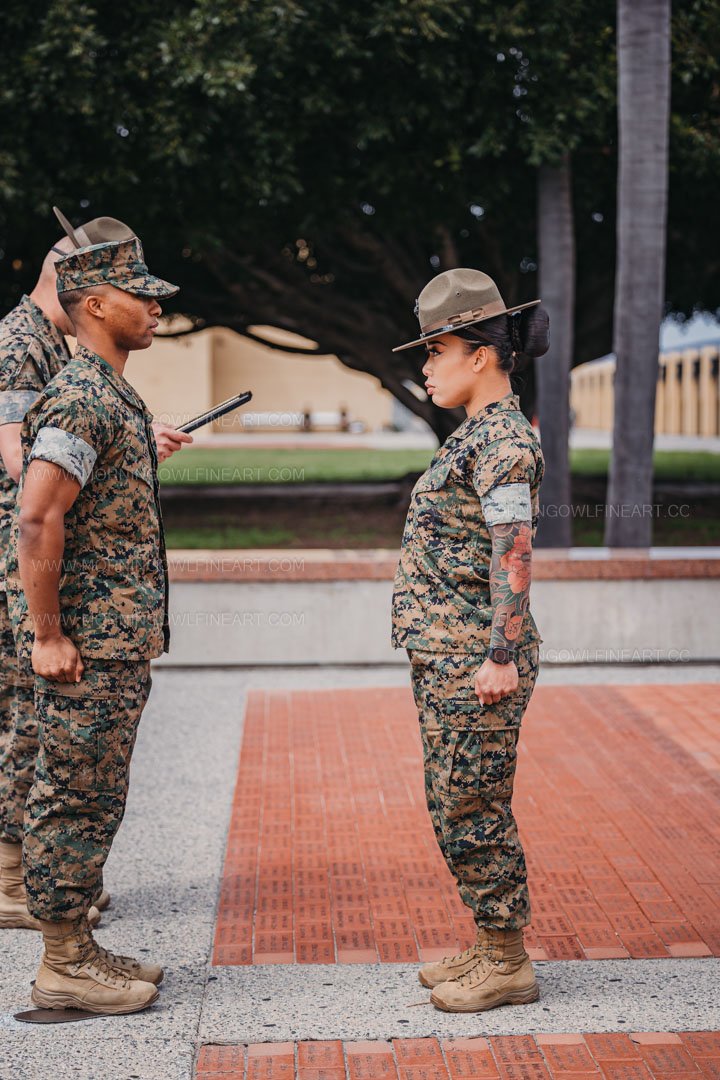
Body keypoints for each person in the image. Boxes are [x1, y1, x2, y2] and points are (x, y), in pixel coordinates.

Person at [5, 236, 184, 1015]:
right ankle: (61, 963)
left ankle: (78, 943)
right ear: (93, 305)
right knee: (72, 795)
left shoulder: (109, 393)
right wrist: (47, 635)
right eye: (138, 294)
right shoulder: (79, 394)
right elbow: (36, 515)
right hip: (85, 644)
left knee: (96, 794)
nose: (155, 306)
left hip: (115, 642)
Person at [391, 268, 548, 1013]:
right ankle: (489, 941)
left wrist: (499, 655)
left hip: (475, 659)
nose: (425, 367)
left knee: (474, 804)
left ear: (479, 354)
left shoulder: (505, 441)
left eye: (435, 350)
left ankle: (509, 959)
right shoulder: (478, 436)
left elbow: (513, 550)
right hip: (447, 654)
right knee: (453, 799)